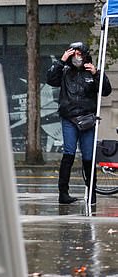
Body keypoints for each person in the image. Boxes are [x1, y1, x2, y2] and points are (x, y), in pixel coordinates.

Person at [46, 41, 112, 205]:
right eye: (73, 54)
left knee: (89, 156)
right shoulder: (65, 71)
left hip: (87, 120)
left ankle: (91, 193)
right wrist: (61, 61)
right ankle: (63, 193)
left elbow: (106, 91)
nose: (77, 58)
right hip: (69, 119)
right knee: (68, 154)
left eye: (79, 54)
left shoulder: (91, 71)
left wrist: (97, 74)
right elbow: (51, 80)